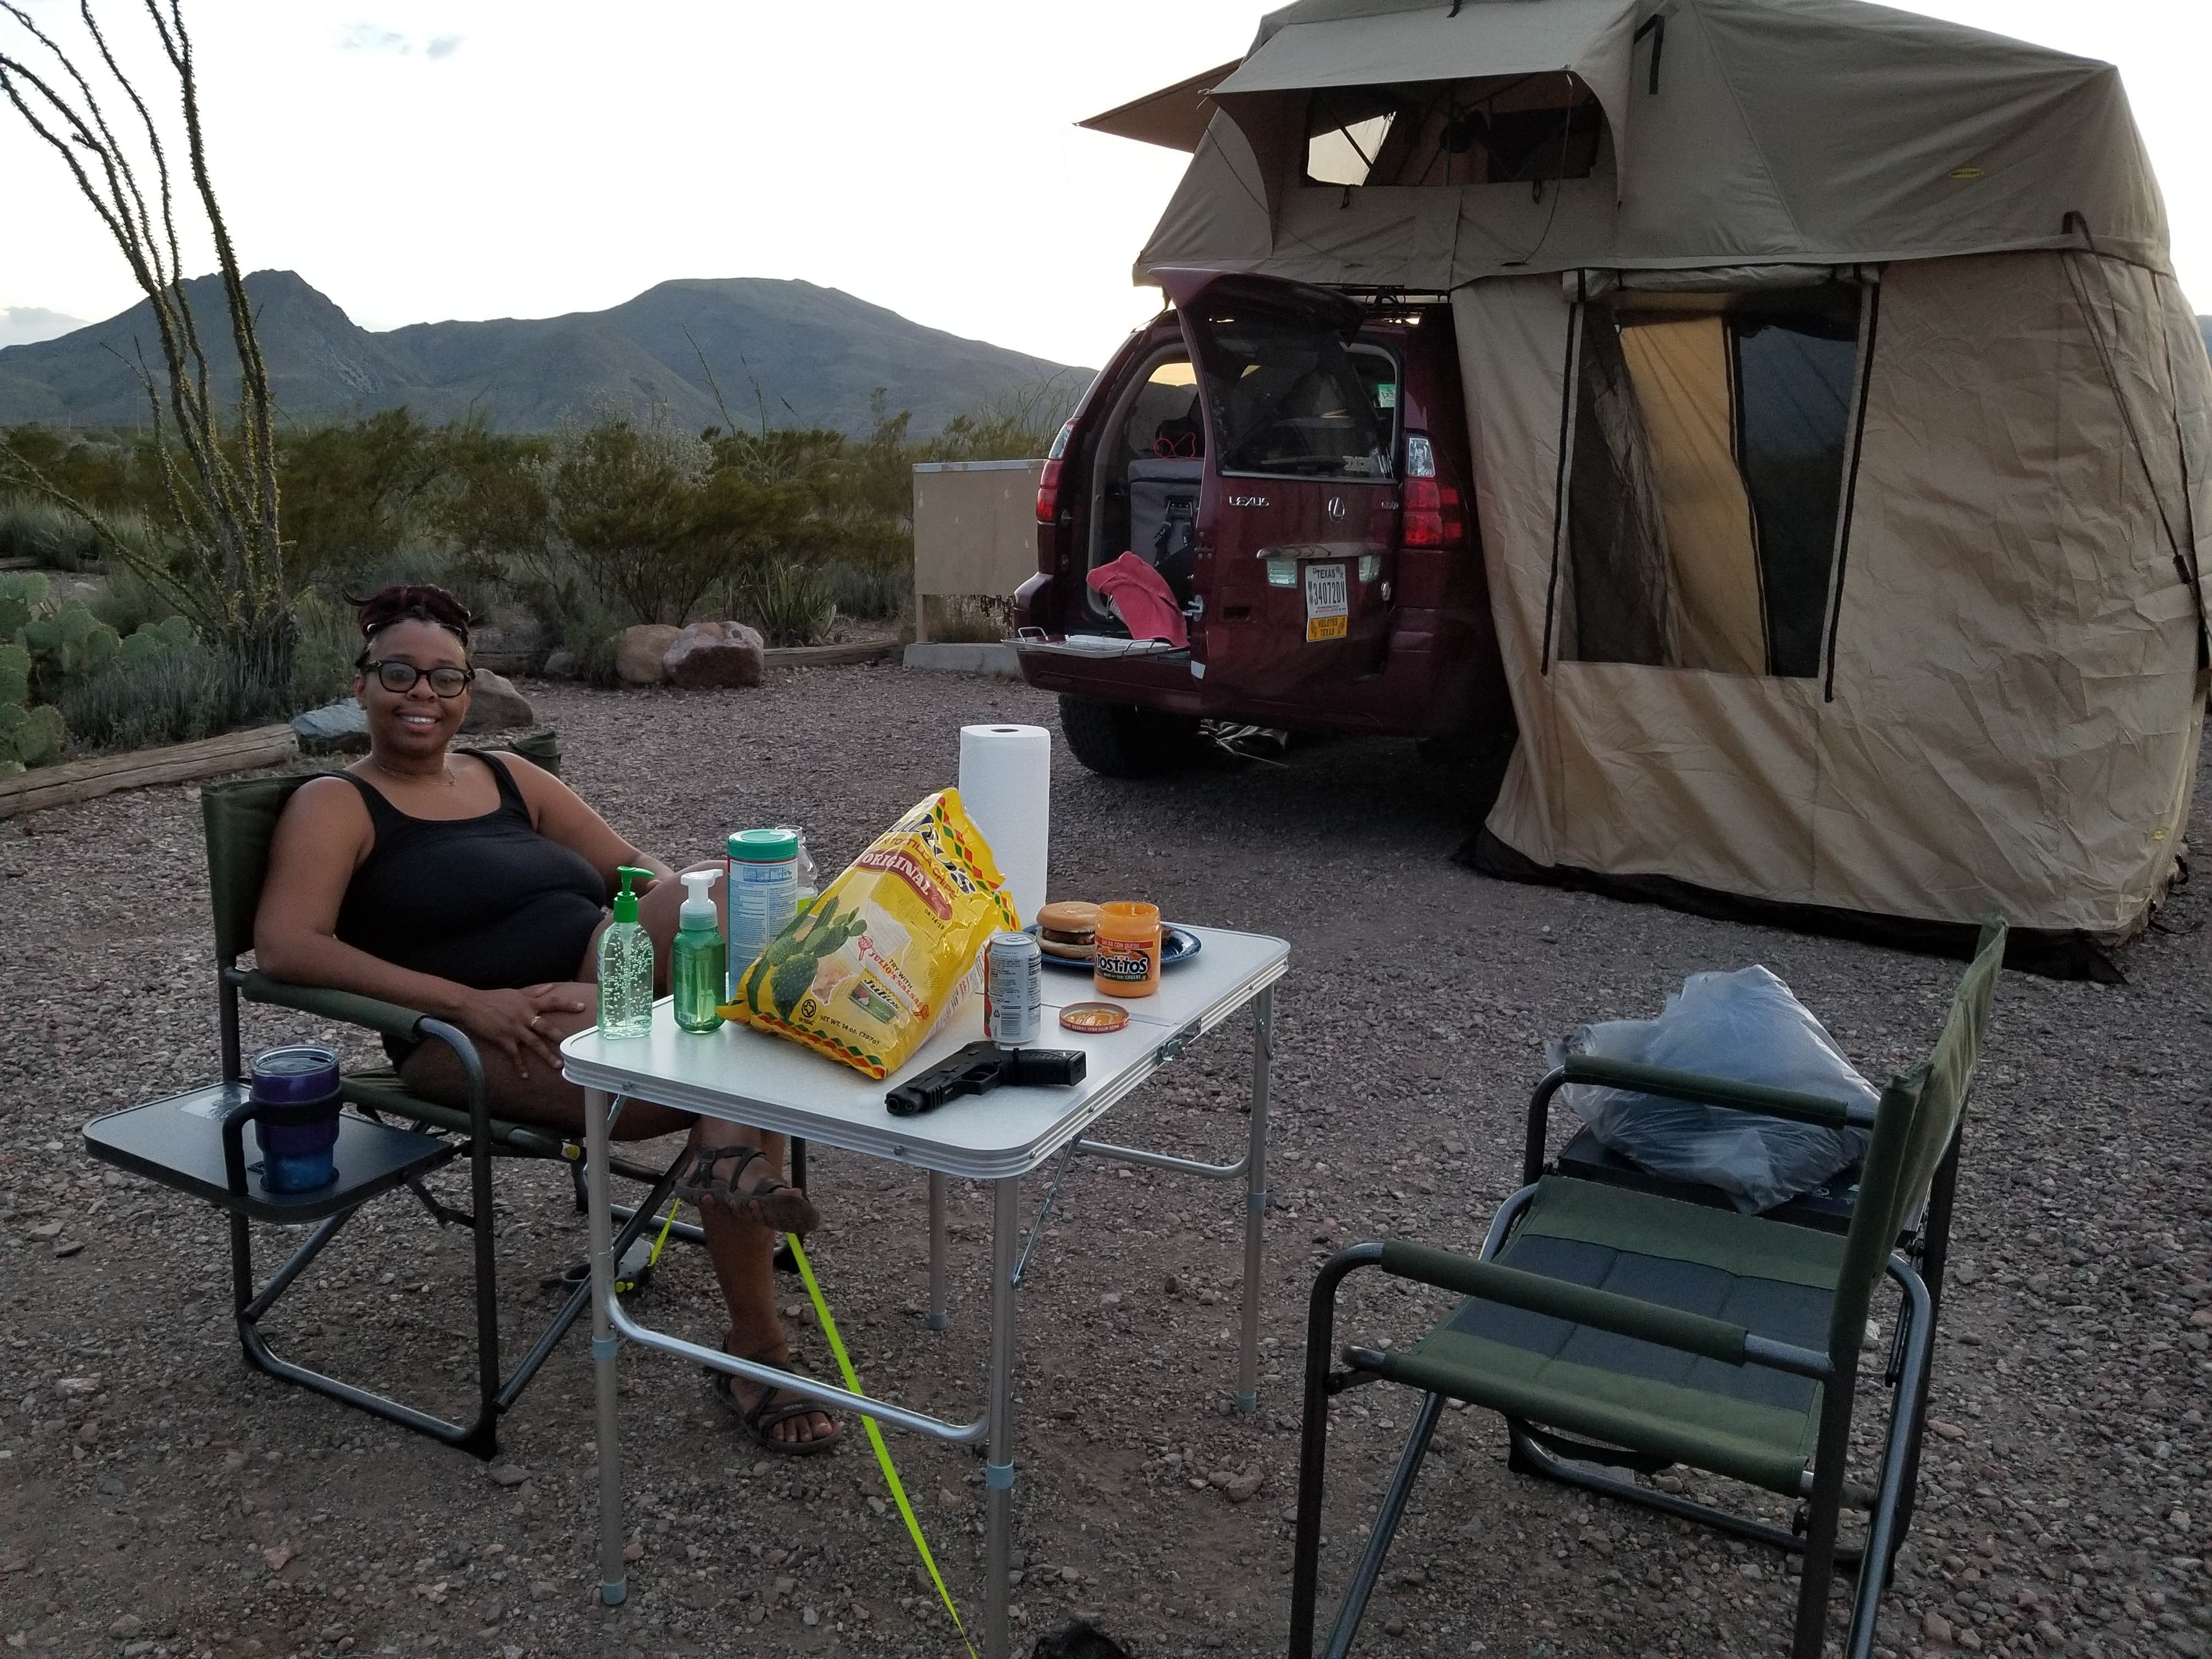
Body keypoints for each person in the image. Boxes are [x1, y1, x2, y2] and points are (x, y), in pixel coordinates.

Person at [255, 583, 839, 1454]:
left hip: (596, 978)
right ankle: (755, 1341)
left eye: (445, 678)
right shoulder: (337, 804)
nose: (423, 694)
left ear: (469, 688)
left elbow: (633, 869)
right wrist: (465, 1002)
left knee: (725, 889)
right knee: (731, 1062)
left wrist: (631, 966)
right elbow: (287, 948)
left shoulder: (508, 775)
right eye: (400, 673)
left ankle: (727, 1146)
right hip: (472, 1034)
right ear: (363, 683)